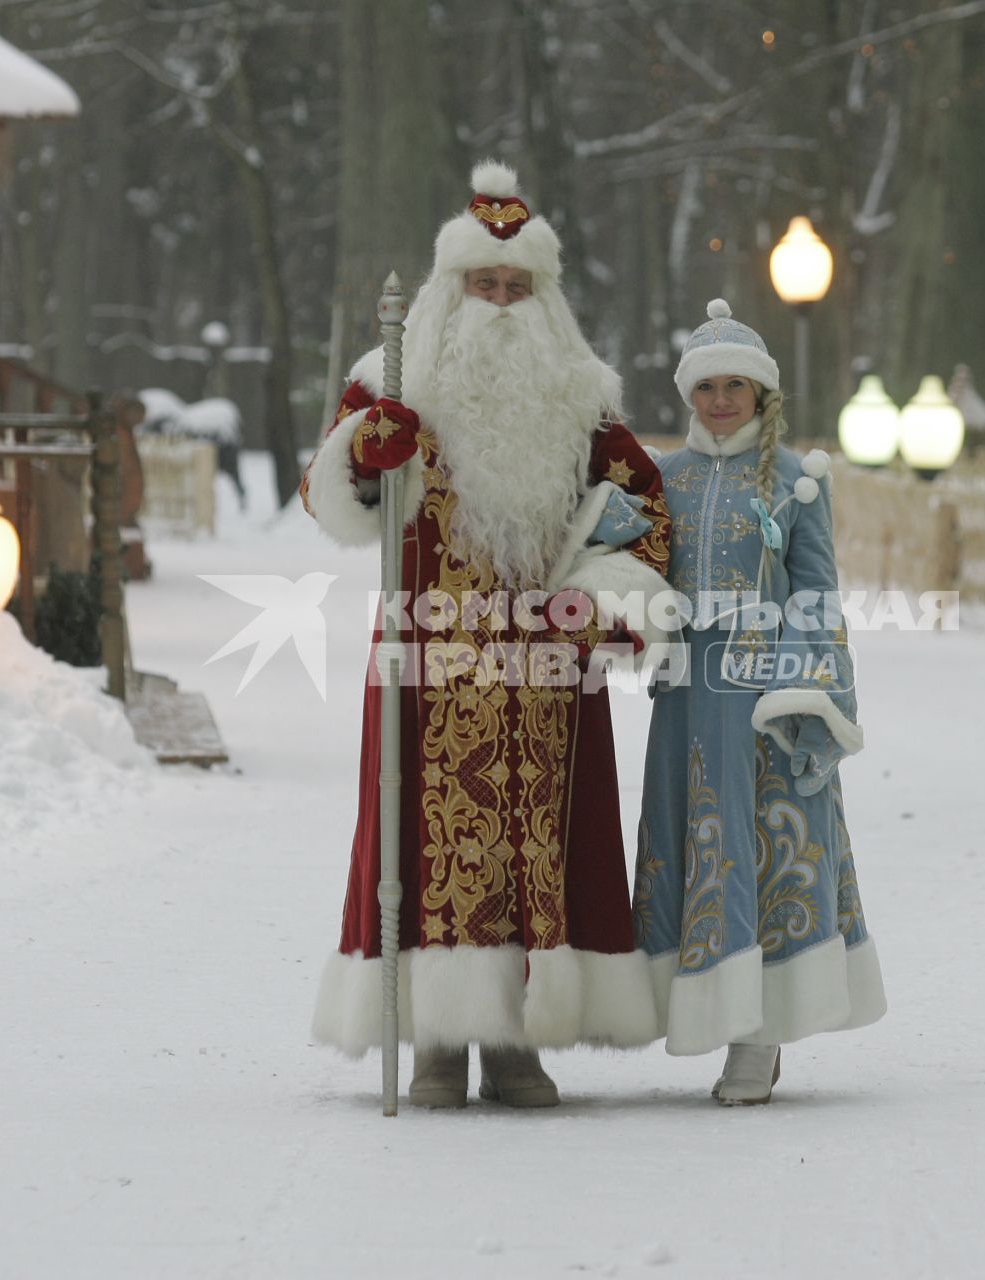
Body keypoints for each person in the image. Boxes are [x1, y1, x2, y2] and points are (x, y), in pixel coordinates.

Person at [300, 162, 672, 1108]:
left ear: (543, 297)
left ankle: (515, 1042)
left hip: (544, 669)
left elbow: (642, 510)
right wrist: (366, 457)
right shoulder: (394, 386)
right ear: (450, 289)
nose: (501, 304)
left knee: (536, 835)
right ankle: (435, 1039)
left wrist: (599, 600)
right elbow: (327, 496)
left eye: (517, 288)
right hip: (431, 659)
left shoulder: (582, 398)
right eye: (484, 285)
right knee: (420, 837)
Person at [633, 299, 887, 1104]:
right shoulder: (661, 480)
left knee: (763, 852)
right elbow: (633, 574)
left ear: (761, 393)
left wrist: (806, 691)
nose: (720, 401)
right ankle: (709, 1007)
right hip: (685, 700)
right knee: (700, 850)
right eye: (706, 387)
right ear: (688, 394)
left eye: (735, 386)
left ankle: (759, 1033)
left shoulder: (795, 480)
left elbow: (818, 592)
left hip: (762, 697)